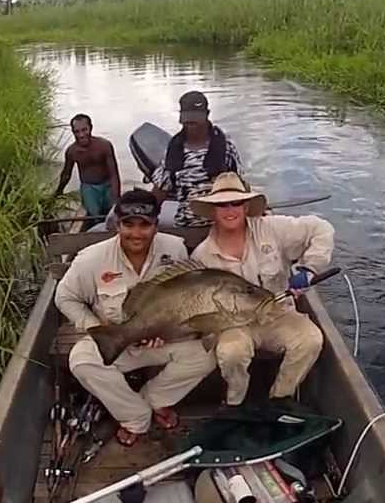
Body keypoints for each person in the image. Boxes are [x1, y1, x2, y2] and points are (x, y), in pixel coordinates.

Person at [55, 189, 217, 446]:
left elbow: (185, 298)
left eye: (145, 225)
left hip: (163, 338)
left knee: (209, 354)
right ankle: (135, 416)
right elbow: (65, 297)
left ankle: (155, 400)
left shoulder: (175, 249)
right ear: (117, 224)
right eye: (128, 225)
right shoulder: (92, 259)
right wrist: (96, 326)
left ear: (156, 225)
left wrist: (168, 330)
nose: (136, 233)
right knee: (82, 361)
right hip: (118, 337)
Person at [189, 173, 334, 405]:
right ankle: (235, 401)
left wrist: (308, 269)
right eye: (221, 204)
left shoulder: (273, 228)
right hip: (234, 324)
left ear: (245, 206)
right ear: (213, 210)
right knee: (231, 353)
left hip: (279, 313)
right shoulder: (202, 256)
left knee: (311, 340)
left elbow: (321, 228)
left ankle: (280, 399)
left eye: (235, 202)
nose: (229, 209)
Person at [149, 90, 241, 228]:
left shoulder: (226, 148)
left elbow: (239, 186)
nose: (191, 124)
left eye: (195, 119)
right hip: (186, 224)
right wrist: (145, 214)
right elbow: (160, 190)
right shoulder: (174, 150)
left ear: (207, 115)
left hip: (222, 224)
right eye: (188, 120)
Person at [53, 114, 121, 231]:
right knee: (95, 216)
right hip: (89, 188)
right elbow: (66, 174)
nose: (81, 135)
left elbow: (114, 174)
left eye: (84, 130)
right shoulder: (72, 151)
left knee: (112, 214)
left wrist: (116, 199)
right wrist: (58, 192)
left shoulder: (104, 146)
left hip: (107, 184)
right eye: (77, 132)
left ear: (91, 128)